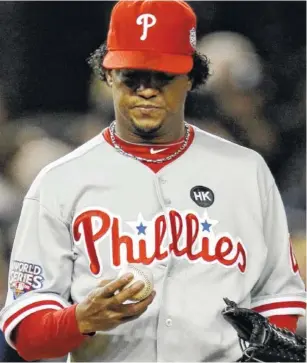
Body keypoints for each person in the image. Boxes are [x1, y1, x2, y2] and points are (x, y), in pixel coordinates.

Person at [0, 0, 305, 362]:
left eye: (163, 76)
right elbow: (27, 338)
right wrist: (80, 319)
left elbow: (281, 302)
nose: (147, 90)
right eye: (133, 76)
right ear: (108, 76)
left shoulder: (244, 171)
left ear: (192, 77)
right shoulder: (58, 182)